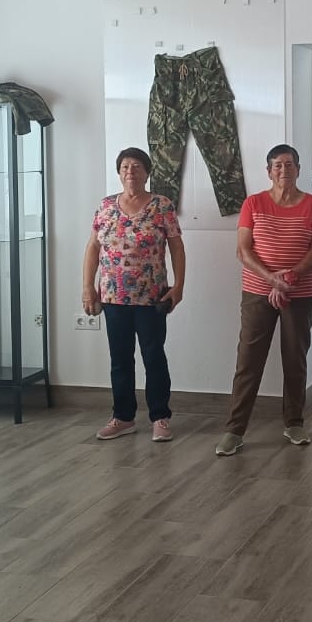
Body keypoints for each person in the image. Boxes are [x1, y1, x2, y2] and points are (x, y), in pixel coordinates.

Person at [218, 144, 312, 456]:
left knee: (295, 358)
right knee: (248, 360)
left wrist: (290, 277)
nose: (284, 170)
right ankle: (234, 429)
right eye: (277, 165)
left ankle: (294, 422)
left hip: (301, 292)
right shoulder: (253, 203)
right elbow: (243, 250)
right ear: (269, 171)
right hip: (258, 291)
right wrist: (273, 279)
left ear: (298, 169)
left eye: (289, 164)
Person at [83, 147, 186, 443]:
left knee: (153, 356)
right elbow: (93, 247)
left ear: (147, 172)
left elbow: (176, 246)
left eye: (137, 166)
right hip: (113, 296)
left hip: (151, 297)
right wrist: (88, 287)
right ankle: (123, 417)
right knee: (120, 359)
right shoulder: (105, 206)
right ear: (119, 172)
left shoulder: (161, 205)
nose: (131, 172)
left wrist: (178, 286)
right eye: (126, 166)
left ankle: (160, 417)